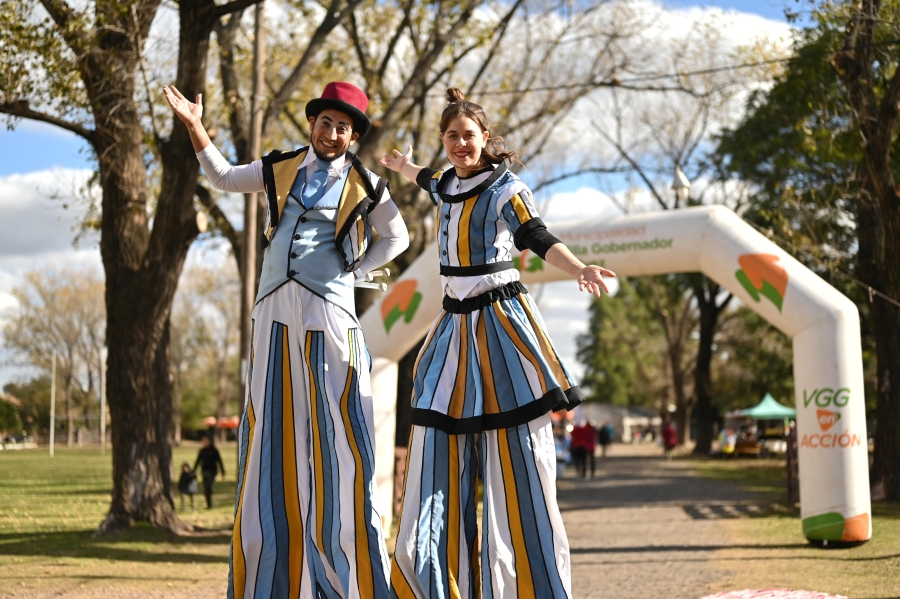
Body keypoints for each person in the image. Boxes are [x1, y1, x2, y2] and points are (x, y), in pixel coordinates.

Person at [164, 81, 408, 599]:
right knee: (272, 422)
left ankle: (345, 567)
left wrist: (357, 267)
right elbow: (225, 177)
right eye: (327, 122)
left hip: (329, 307)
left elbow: (398, 237)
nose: (333, 133)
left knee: (335, 429)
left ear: (353, 135)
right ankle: (275, 572)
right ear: (313, 123)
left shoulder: (367, 183)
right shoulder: (281, 165)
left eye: (344, 127)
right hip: (273, 303)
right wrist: (194, 125)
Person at [381, 88, 616, 599]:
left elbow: (535, 235)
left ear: (485, 139)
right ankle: (433, 583)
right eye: (452, 137)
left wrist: (579, 268)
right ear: (443, 141)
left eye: (469, 136)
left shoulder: (506, 188)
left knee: (518, 451)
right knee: (434, 432)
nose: (461, 144)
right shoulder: (444, 181)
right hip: (452, 325)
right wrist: (403, 166)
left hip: (500, 321)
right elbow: (427, 178)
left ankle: (531, 586)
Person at [193, 436, 225, 509]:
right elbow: (198, 461)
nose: (205, 443)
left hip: (213, 471)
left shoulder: (214, 450)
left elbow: (219, 461)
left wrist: (223, 471)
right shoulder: (202, 451)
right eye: (203, 441)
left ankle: (209, 495)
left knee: (208, 485)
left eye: (206, 441)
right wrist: (194, 470)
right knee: (206, 488)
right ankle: (209, 504)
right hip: (204, 471)